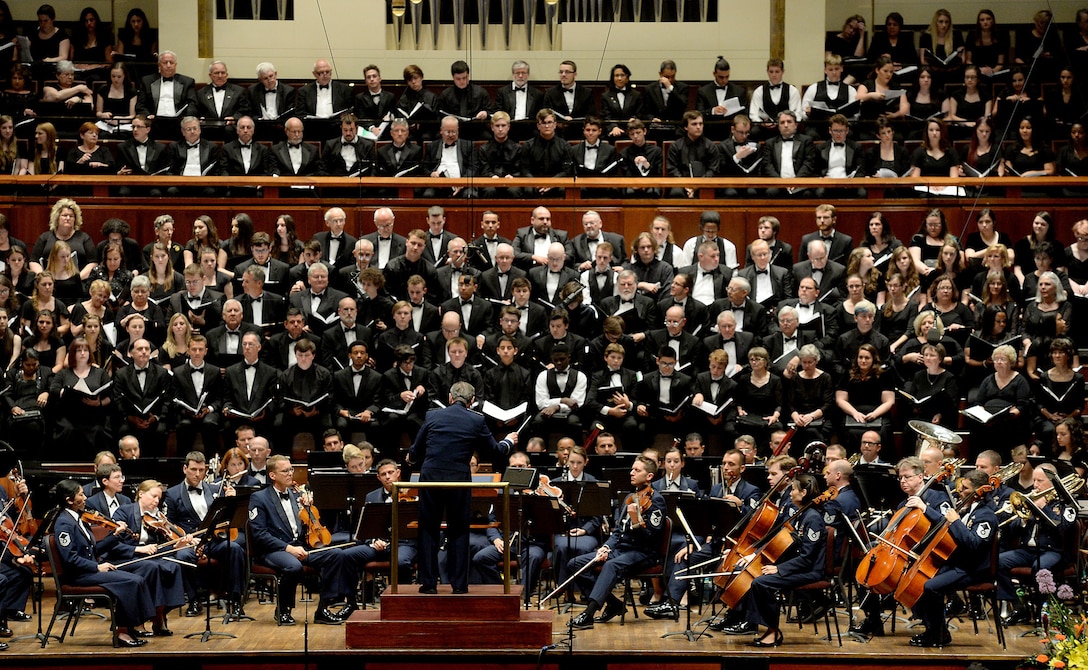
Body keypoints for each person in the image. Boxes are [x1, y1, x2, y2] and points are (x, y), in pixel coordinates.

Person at [408, 381, 516, 594]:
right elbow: (495, 451)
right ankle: (459, 586)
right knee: (458, 531)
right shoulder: (476, 419)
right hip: (459, 480)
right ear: (472, 401)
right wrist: (509, 442)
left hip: (431, 479)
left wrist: (412, 458)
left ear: (450, 398)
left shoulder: (432, 416)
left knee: (428, 529)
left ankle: (428, 584)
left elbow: (415, 451)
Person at [248, 455, 370, 624]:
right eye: (285, 471)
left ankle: (323, 609)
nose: (290, 473)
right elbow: (259, 534)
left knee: (336, 555)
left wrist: (308, 508)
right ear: (272, 475)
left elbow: (304, 527)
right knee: (293, 566)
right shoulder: (259, 498)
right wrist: (288, 549)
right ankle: (283, 609)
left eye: (291, 469)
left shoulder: (295, 494)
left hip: (299, 546)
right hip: (274, 550)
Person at [721, 473, 827, 647]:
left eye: (793, 490)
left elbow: (807, 558)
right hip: (798, 567)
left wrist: (780, 569)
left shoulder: (813, 519)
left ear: (804, 493)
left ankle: (773, 631)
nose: (790, 493)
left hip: (811, 572)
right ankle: (767, 627)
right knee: (758, 580)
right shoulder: (801, 515)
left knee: (762, 583)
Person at [52, 479, 156, 647]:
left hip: (89, 571)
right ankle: (122, 632)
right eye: (80, 494)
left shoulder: (79, 519)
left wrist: (114, 535)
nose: (85, 498)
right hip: (78, 576)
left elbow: (94, 549)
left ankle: (128, 628)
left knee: (137, 579)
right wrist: (96, 567)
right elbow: (69, 558)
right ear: (69, 500)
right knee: (130, 582)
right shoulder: (64, 522)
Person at [569, 455, 666, 629]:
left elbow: (652, 536)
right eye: (632, 469)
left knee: (611, 565)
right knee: (575, 564)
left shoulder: (656, 500)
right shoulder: (630, 496)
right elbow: (619, 531)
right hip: (621, 549)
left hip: (643, 553)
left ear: (649, 476)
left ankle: (588, 614)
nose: (632, 473)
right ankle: (613, 604)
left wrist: (637, 522)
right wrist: (606, 547)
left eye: (637, 470)